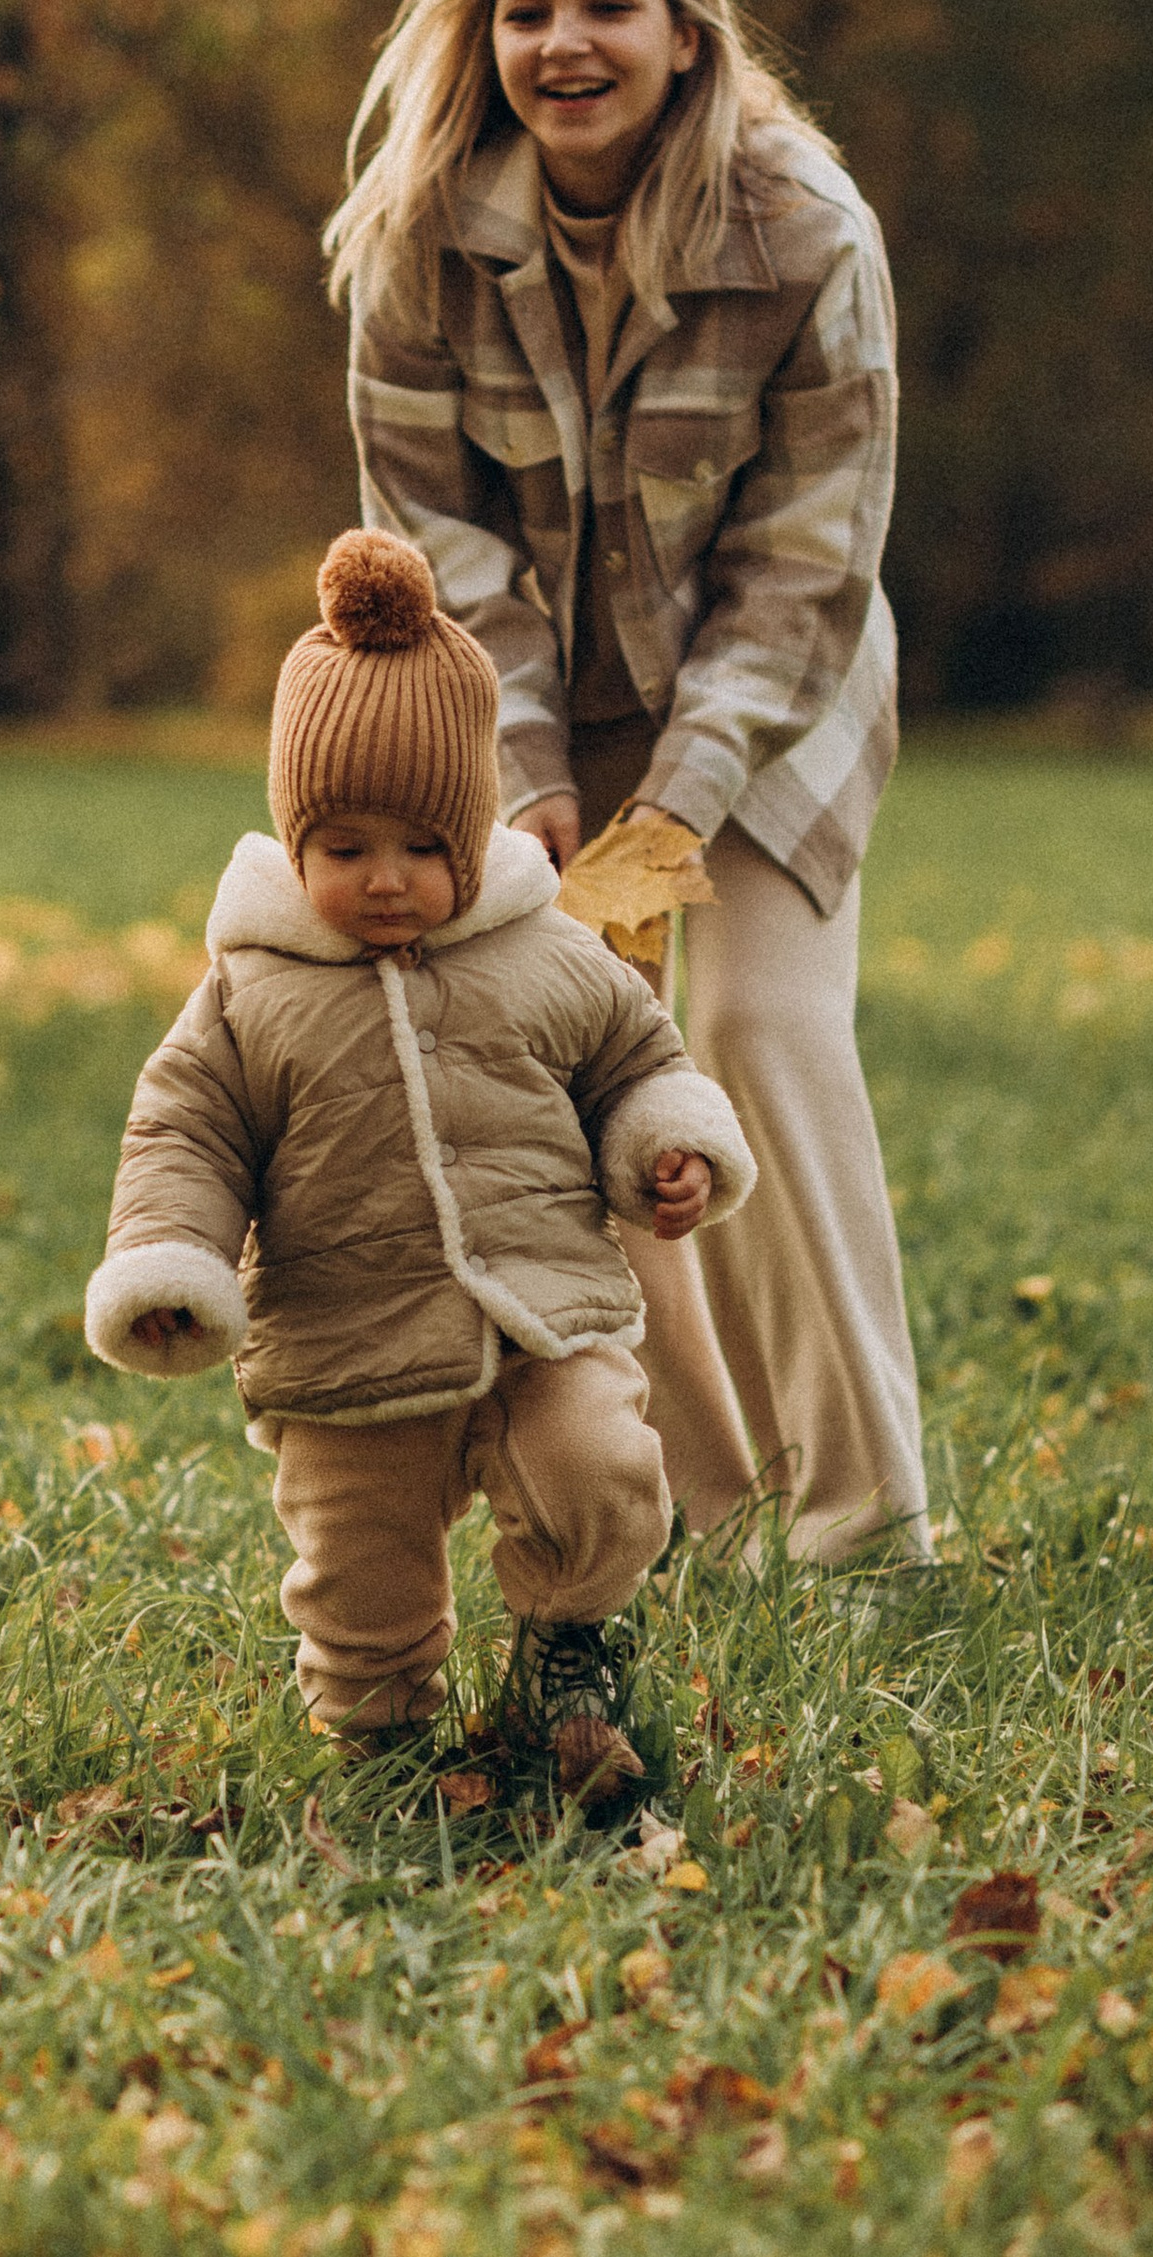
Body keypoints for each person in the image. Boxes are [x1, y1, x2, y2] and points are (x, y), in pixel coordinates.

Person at [329, 0, 930, 1569]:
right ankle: (713, 1511)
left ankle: (866, 1517)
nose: (564, 42)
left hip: (775, 698)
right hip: (533, 710)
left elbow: (806, 561)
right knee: (580, 1070)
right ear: (486, 37)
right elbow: (437, 543)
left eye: (607, 4)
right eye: (527, 12)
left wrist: (683, 799)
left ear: (685, 31)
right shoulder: (419, 237)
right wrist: (522, 766)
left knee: (751, 1029)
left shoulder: (806, 230)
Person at [82, 528, 754, 1800]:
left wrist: (666, 1142)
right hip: (350, 1339)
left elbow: (635, 1056)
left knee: (600, 1468)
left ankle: (566, 1662)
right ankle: (381, 1741)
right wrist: (169, 1258)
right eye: (344, 850)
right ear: (294, 845)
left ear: (470, 836)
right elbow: (185, 1130)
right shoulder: (250, 993)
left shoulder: (545, 953)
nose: (385, 880)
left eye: (420, 848)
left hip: (541, 1315)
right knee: (359, 1560)